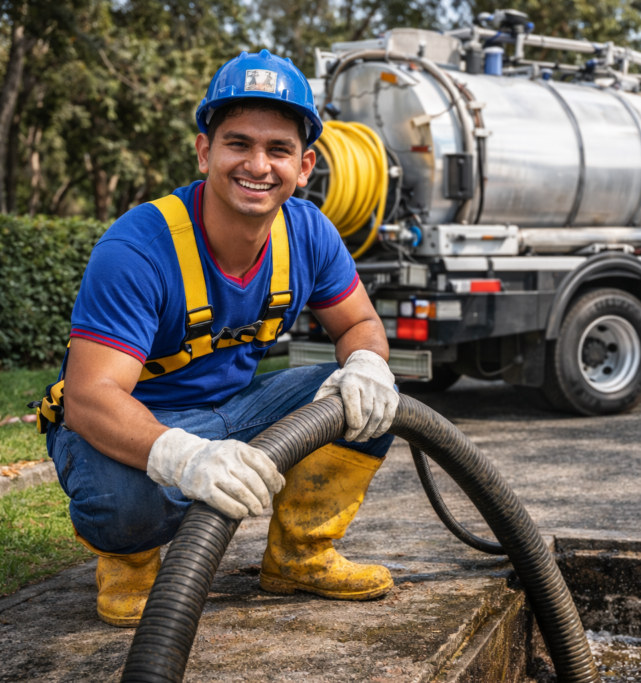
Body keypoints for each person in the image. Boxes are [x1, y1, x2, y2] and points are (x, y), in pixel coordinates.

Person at [36, 50, 399, 628]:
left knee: (364, 400)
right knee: (126, 503)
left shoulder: (309, 233)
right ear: (205, 152)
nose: (258, 165)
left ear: (304, 165)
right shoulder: (138, 248)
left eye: (278, 149)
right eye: (238, 144)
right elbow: (89, 398)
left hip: (231, 410)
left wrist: (367, 363)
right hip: (132, 422)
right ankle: (130, 567)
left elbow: (359, 324)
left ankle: (300, 556)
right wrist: (185, 458)